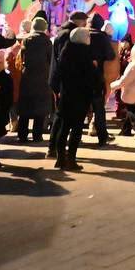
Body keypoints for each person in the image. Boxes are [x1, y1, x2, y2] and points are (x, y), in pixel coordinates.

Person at [51, 26, 97, 171]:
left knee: (63, 127)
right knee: (76, 129)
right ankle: (71, 159)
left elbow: (57, 75)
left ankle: (60, 159)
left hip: (66, 95)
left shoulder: (66, 51)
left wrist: (58, 90)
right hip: (81, 97)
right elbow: (90, 79)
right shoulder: (86, 54)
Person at [44, 11, 89, 160]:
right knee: (61, 118)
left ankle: (56, 151)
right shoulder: (68, 36)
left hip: (59, 81)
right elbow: (64, 62)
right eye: (84, 21)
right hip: (65, 84)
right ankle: (55, 150)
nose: (85, 25)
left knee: (61, 116)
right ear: (78, 21)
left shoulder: (62, 32)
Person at [15, 17, 52, 142]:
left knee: (25, 108)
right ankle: (37, 135)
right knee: (40, 108)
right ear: (44, 27)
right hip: (43, 77)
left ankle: (22, 134)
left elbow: (22, 57)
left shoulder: (26, 39)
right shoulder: (47, 41)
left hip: (27, 76)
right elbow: (50, 59)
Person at [87, 13, 117, 145]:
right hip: (96, 76)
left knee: (78, 107)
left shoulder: (82, 33)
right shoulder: (102, 37)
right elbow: (110, 55)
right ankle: (102, 137)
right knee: (99, 108)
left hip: (78, 75)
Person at [112, 45, 135, 136]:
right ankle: (126, 130)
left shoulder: (133, 66)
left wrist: (112, 86)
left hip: (131, 92)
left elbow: (124, 80)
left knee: (131, 110)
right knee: (130, 110)